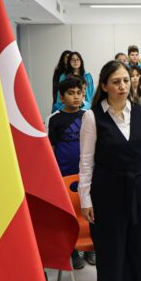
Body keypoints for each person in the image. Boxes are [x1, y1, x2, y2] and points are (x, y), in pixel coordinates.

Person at [79, 60, 141, 281]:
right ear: (104, 85)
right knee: (112, 254)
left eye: (126, 80)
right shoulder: (92, 117)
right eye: (116, 82)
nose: (123, 86)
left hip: (140, 188)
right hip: (108, 191)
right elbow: (86, 163)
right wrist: (85, 199)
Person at [47, 76, 94, 269]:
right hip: (64, 174)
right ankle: (73, 249)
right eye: (71, 93)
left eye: (79, 93)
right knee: (70, 212)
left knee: (90, 208)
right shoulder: (55, 119)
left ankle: (92, 246)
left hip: (88, 173)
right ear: (61, 97)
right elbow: (51, 147)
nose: (76, 97)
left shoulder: (88, 115)